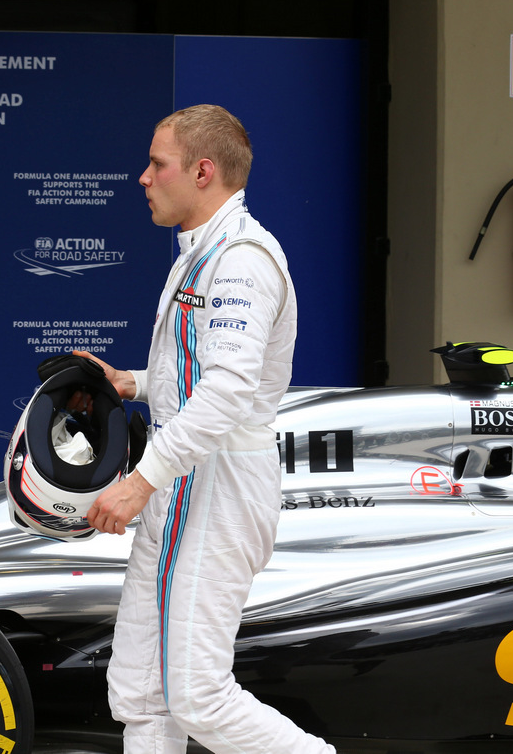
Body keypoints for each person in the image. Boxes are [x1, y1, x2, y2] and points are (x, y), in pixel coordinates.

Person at [80, 104, 334, 754]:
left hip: (219, 481)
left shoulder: (243, 258)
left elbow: (228, 389)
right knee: (141, 688)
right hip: (186, 475)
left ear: (201, 170)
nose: (142, 177)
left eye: (156, 163)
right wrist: (132, 382)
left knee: (195, 692)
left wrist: (141, 479)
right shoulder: (204, 250)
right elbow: (201, 371)